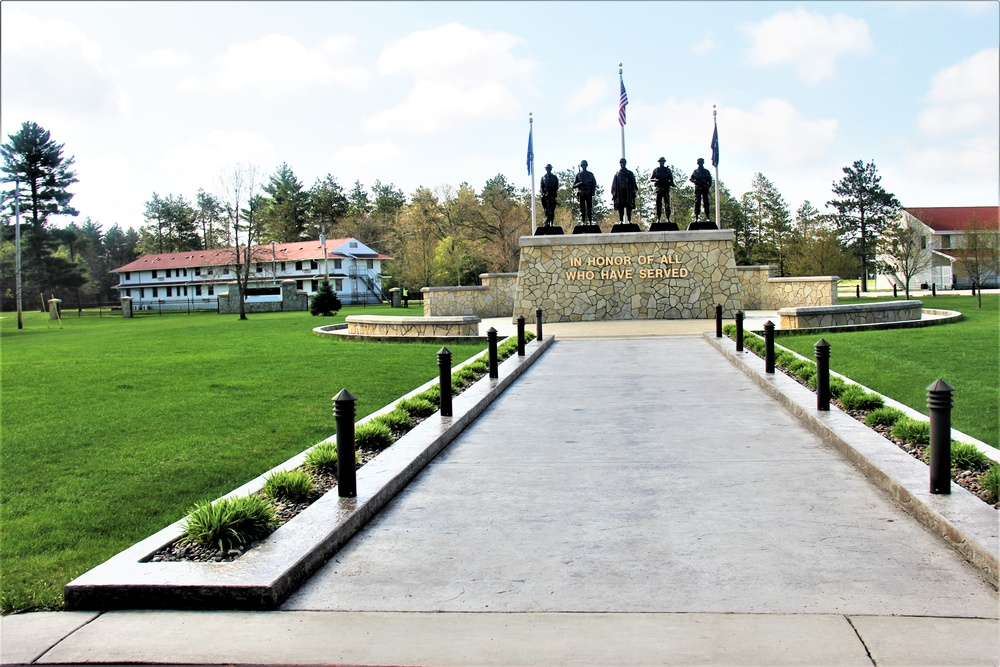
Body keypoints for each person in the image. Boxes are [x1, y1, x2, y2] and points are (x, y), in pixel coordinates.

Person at [611, 158, 637, 224]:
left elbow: (633, 183)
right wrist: (614, 193)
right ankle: (621, 220)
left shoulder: (630, 173)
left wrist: (633, 191)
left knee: (629, 206)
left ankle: (629, 220)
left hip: (628, 192)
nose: (623, 164)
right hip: (620, 193)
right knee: (620, 207)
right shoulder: (617, 174)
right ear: (620, 164)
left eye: (624, 162)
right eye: (621, 163)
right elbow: (614, 185)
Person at [650, 157, 675, 222]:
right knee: (658, 205)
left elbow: (671, 179)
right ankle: (658, 218)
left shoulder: (667, 170)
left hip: (666, 189)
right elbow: (651, 179)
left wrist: (670, 183)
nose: (662, 163)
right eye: (661, 161)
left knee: (667, 204)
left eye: (663, 161)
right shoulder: (656, 170)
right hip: (659, 189)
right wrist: (657, 180)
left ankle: (668, 218)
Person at [572, 160, 597, 224]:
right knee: (582, 209)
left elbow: (594, 183)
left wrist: (593, 191)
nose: (584, 166)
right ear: (581, 166)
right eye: (583, 165)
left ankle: (590, 221)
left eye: (585, 165)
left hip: (588, 192)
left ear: (586, 166)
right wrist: (579, 184)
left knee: (589, 208)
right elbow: (573, 185)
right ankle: (583, 221)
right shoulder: (578, 175)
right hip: (582, 192)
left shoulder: (590, 174)